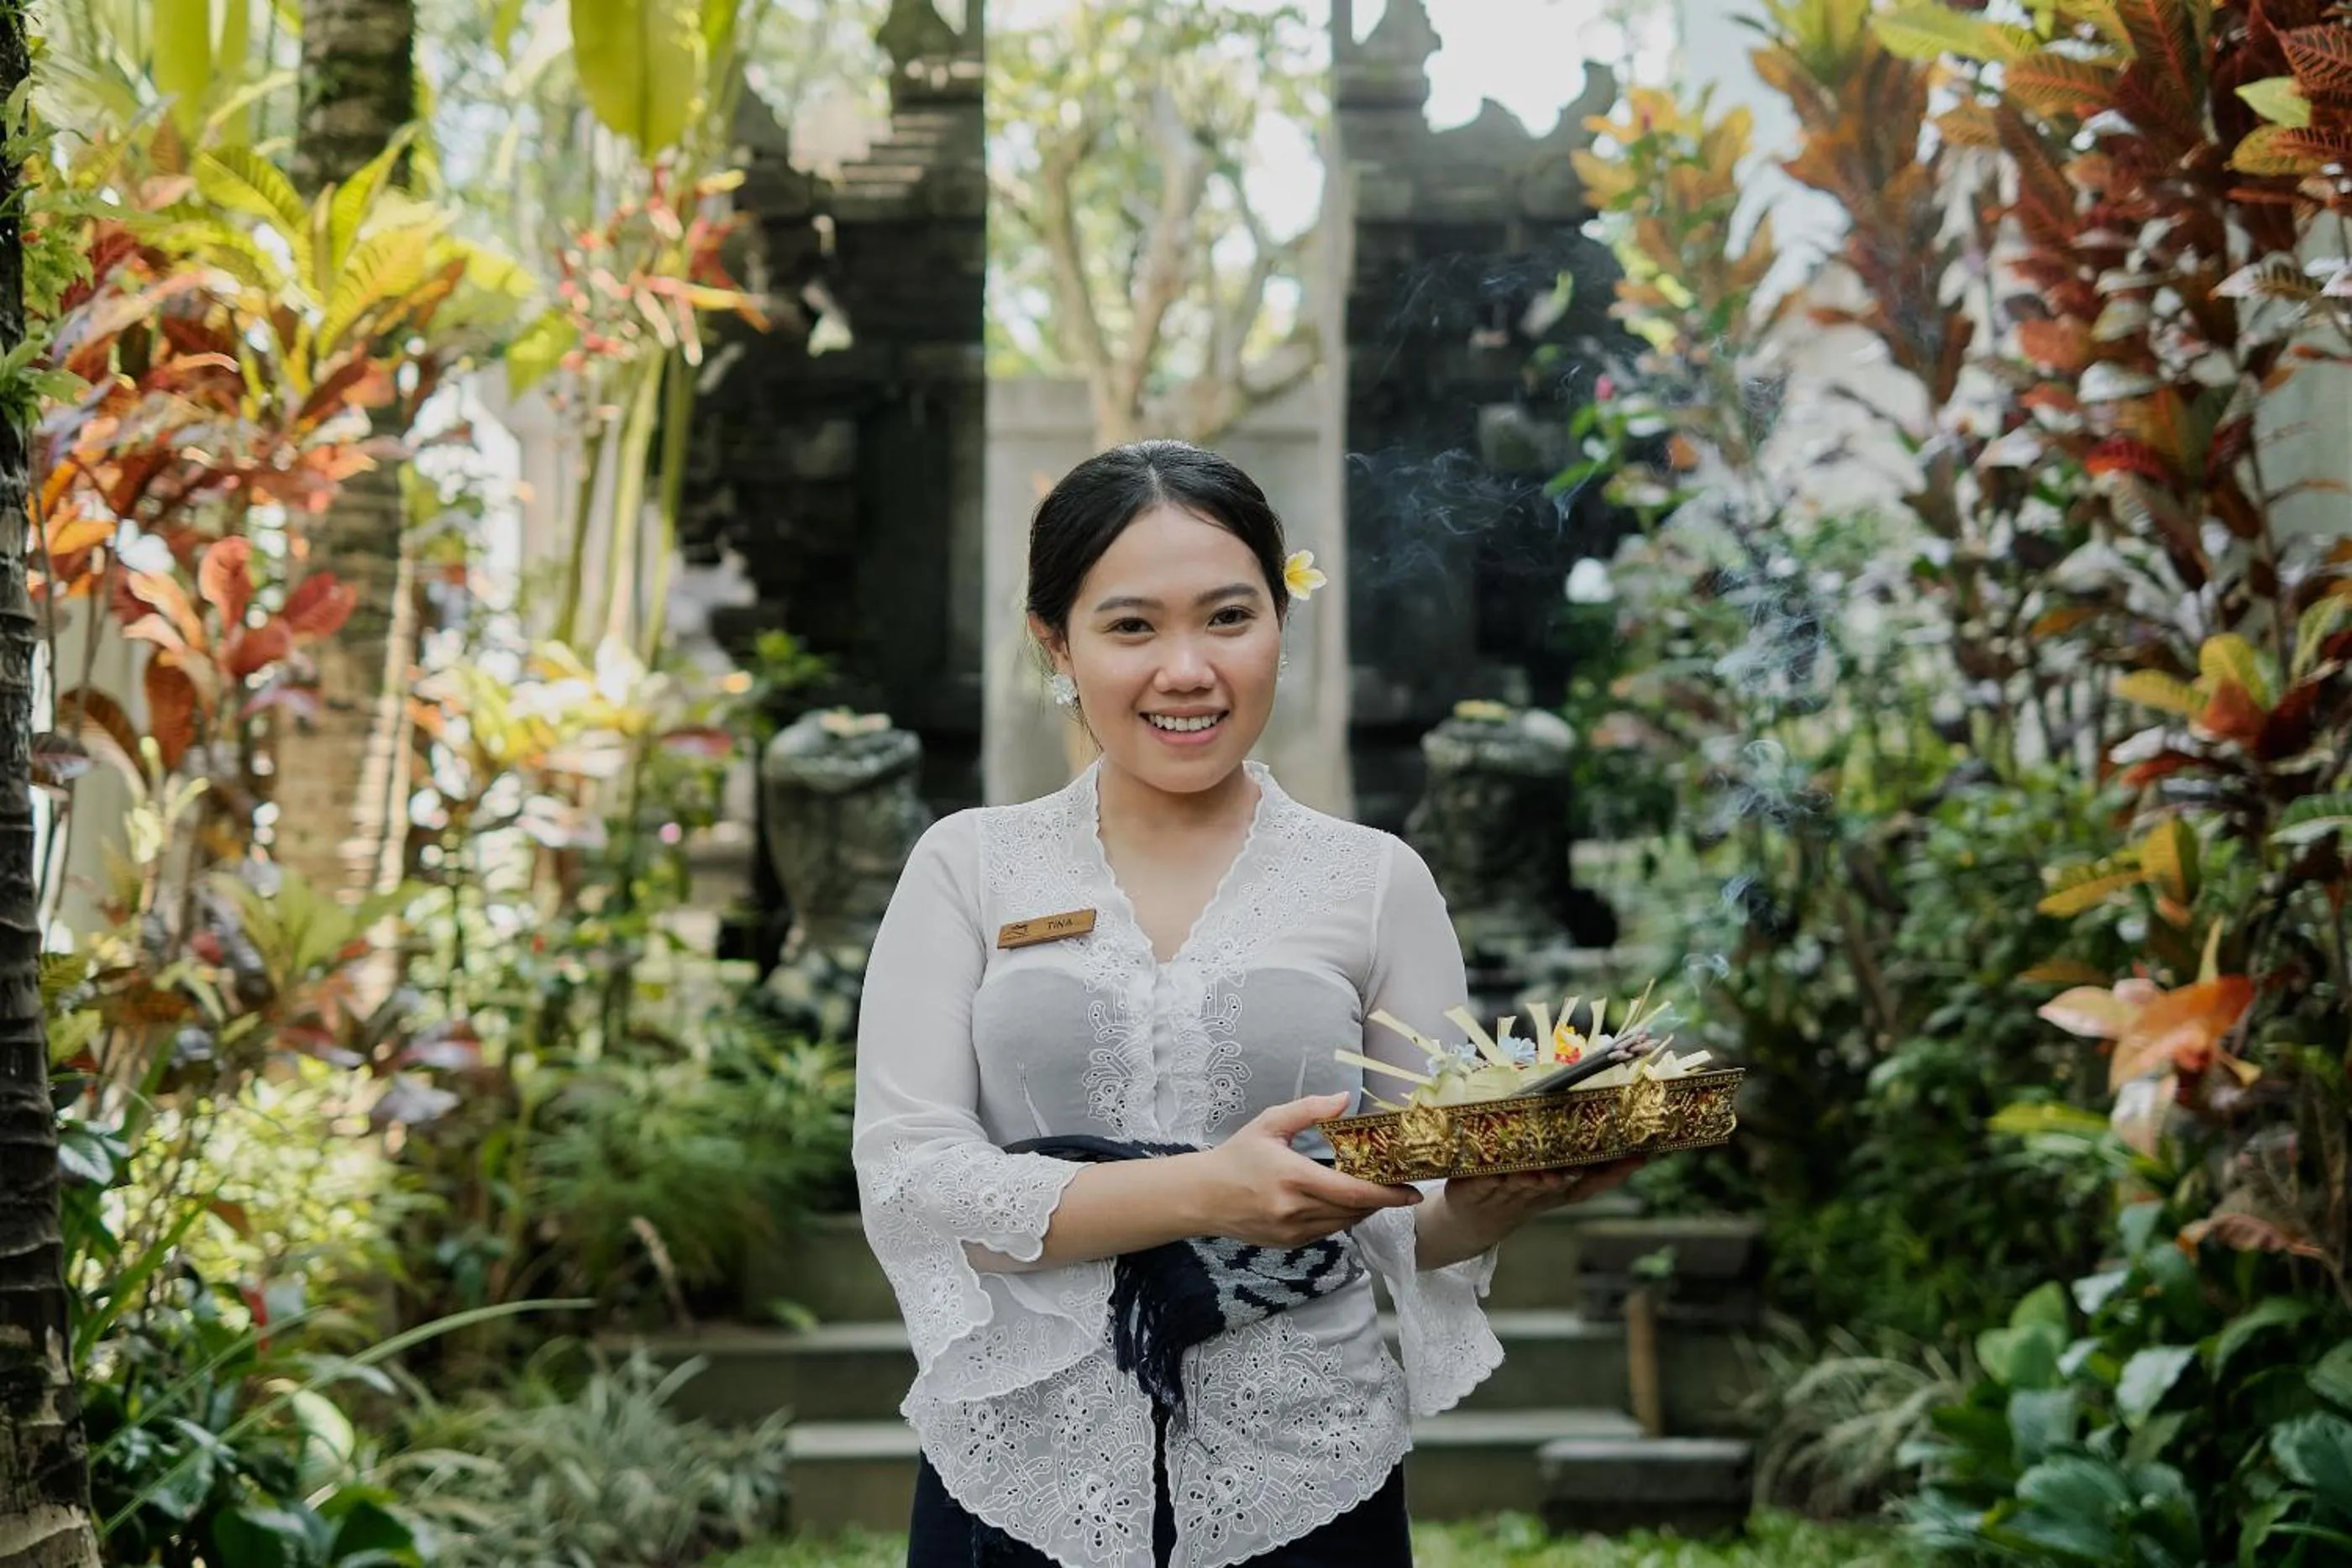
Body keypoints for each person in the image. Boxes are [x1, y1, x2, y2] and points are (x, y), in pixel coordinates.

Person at [853, 442, 1639, 1568]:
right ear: (1056, 643)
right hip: (1021, 1469)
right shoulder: (969, 867)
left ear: (1280, 619)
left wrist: (1491, 1201)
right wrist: (1210, 1192)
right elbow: (915, 1185)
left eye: (1229, 617)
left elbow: (1403, 1206)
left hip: (1307, 1470)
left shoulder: (1376, 882)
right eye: (1132, 627)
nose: (1188, 670)